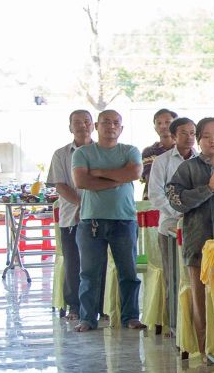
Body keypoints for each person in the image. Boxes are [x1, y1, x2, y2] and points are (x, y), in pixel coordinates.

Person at [166, 118, 214, 355]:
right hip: (198, 243)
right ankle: (204, 350)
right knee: (201, 300)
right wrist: (208, 189)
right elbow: (176, 201)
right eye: (207, 136)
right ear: (198, 140)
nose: (213, 141)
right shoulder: (187, 169)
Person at [71, 109, 144, 332]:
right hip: (91, 222)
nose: (111, 126)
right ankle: (87, 318)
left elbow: (134, 173)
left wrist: (99, 172)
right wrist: (117, 178)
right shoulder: (82, 153)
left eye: (115, 123)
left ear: (121, 128)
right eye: (105, 122)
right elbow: (82, 181)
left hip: (124, 220)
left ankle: (131, 317)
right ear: (96, 126)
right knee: (89, 274)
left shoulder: (130, 150)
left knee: (128, 272)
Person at [146, 116, 196, 328]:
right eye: (184, 133)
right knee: (172, 276)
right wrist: (178, 212)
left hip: (196, 227)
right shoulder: (163, 161)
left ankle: (194, 323)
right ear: (174, 136)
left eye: (193, 133)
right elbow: (156, 194)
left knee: (195, 277)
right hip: (170, 227)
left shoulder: (202, 160)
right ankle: (173, 324)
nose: (189, 137)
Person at [47, 109, 93, 319]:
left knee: (98, 263)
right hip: (71, 216)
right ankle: (74, 306)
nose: (82, 125)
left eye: (86, 121)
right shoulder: (61, 154)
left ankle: (99, 306)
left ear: (93, 125)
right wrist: (83, 205)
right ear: (70, 127)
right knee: (74, 262)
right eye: (77, 122)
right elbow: (60, 185)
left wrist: (91, 208)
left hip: (99, 216)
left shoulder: (103, 152)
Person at [140, 107, 177, 196]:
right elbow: (151, 179)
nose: (163, 126)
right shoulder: (149, 152)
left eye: (167, 122)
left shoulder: (185, 150)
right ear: (155, 128)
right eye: (159, 123)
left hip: (179, 200)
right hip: (153, 200)